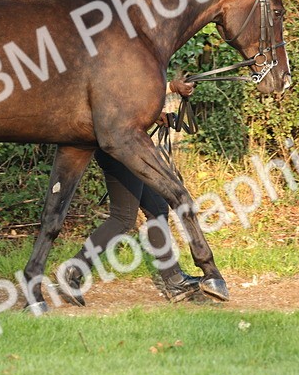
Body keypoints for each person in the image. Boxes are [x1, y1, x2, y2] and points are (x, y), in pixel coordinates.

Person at [60, 77, 202, 303]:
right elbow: (124, 94)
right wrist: (171, 88)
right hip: (119, 148)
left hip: (133, 146)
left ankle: (174, 282)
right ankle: (73, 271)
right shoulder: (117, 59)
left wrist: (157, 116)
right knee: (123, 217)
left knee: (157, 209)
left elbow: (128, 106)